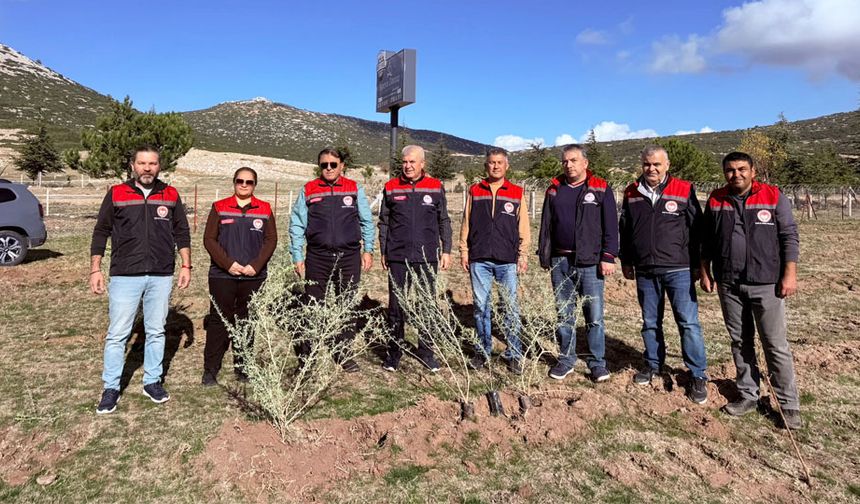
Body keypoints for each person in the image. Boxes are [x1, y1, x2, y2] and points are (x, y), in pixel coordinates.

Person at [700, 151, 802, 429]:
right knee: (740, 341)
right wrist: (706, 270)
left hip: (767, 282)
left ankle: (788, 404)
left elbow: (789, 236)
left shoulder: (772, 196)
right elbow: (707, 239)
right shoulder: (716, 199)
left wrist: (789, 274)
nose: (736, 174)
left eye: (742, 169)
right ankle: (748, 394)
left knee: (775, 344)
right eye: (731, 170)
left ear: (753, 171)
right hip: (729, 283)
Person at [90, 145, 191, 414]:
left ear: (160, 166)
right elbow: (101, 231)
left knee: (156, 330)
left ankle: (152, 382)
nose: (147, 168)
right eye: (142, 163)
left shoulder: (170, 194)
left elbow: (182, 231)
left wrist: (186, 265)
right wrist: (95, 269)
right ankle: (111, 387)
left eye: (153, 163)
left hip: (160, 274)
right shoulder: (117, 193)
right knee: (118, 334)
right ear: (133, 165)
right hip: (124, 274)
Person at [619, 146, 708, 404]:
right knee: (649, 322)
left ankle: (697, 373)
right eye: (647, 164)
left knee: (688, 323)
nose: (652, 169)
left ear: (667, 166)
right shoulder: (632, 191)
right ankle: (653, 364)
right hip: (646, 270)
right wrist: (627, 260)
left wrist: (698, 266)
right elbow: (625, 229)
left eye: (657, 164)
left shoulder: (683, 189)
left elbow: (697, 230)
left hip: (678, 268)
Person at [537, 144, 618, 382]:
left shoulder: (601, 188)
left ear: (585, 163)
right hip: (560, 261)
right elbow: (546, 225)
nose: (568, 165)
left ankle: (597, 363)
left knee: (593, 315)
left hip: (590, 262)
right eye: (565, 161)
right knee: (564, 314)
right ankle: (566, 359)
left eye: (573, 160)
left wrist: (608, 256)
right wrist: (545, 254)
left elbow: (611, 226)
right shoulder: (554, 189)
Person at [289, 147, 374, 372]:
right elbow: (297, 224)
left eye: (333, 164)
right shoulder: (309, 189)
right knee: (313, 306)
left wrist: (368, 250)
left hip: (349, 257)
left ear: (342, 166)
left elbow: (366, 221)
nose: (328, 168)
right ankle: (309, 355)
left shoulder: (354, 188)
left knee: (347, 305)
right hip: (318, 257)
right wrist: (297, 255)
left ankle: (342, 352)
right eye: (324, 165)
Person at [379, 145, 452, 372]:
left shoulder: (435, 187)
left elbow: (444, 221)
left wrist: (446, 249)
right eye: (405, 162)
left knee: (427, 305)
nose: (408, 166)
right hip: (398, 256)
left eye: (413, 162)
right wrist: (383, 250)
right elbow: (384, 222)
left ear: (422, 164)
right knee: (396, 305)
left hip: (426, 257)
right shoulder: (391, 188)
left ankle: (426, 352)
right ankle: (394, 351)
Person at [202, 167, 277, 386]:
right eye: (240, 181)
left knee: (247, 320)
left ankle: (243, 367)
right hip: (222, 276)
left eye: (249, 182)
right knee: (218, 321)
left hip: (253, 276)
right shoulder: (219, 207)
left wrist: (255, 265)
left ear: (255, 185)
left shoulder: (264, 209)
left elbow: (271, 240)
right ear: (233, 182)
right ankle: (210, 370)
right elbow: (209, 239)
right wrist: (228, 265)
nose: (244, 185)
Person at [459, 147, 530, 374]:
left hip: (507, 260)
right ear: (486, 165)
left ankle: (514, 353)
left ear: (506, 166)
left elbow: (524, 228)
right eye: (491, 162)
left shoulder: (516, 192)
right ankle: (483, 351)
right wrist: (463, 250)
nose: (495, 166)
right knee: (481, 308)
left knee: (510, 308)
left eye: (500, 162)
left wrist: (523, 254)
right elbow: (466, 222)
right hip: (479, 258)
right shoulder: (475, 191)